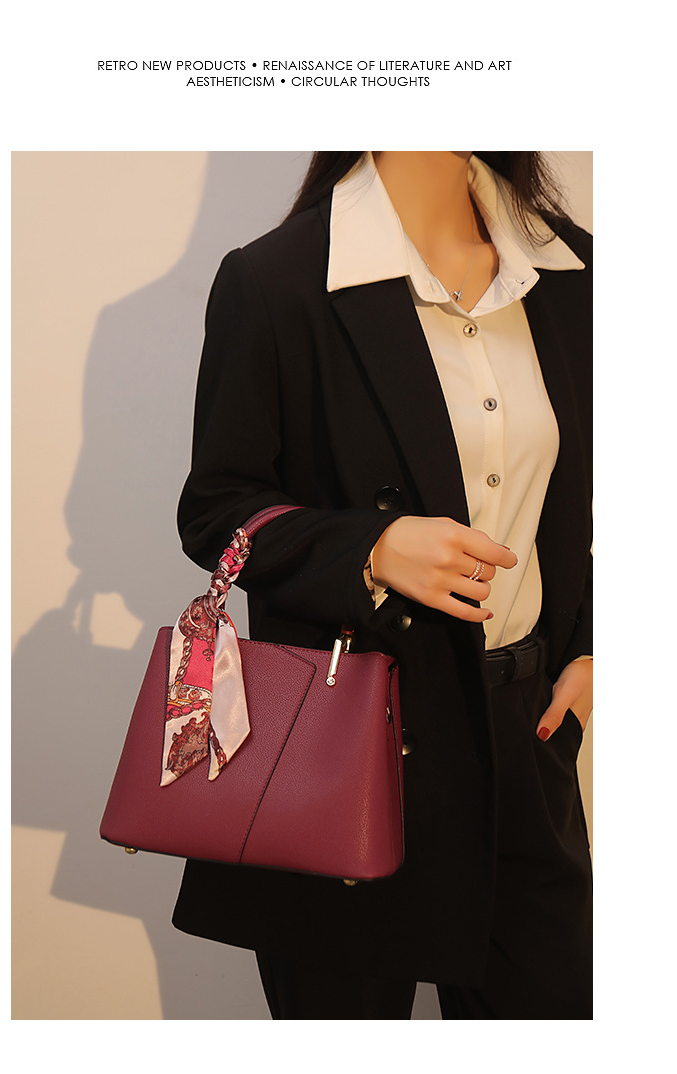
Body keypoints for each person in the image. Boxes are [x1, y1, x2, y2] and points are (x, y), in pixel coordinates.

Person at [172, 151, 593, 1019]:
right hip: (348, 746)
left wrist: (594, 644)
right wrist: (372, 547)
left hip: (524, 739)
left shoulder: (574, 267)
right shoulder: (278, 280)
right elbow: (216, 511)